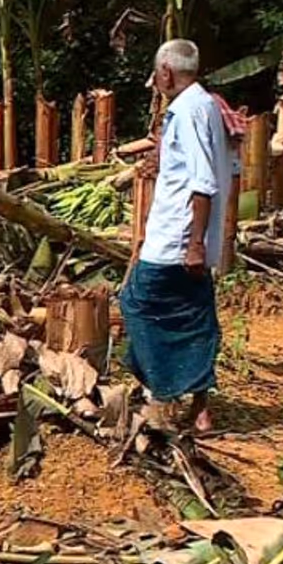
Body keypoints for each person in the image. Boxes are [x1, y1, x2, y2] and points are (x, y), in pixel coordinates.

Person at [119, 38, 232, 434]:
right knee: (195, 315)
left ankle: (164, 392)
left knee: (136, 303)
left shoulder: (187, 110)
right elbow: (198, 166)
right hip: (186, 238)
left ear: (166, 72)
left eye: (157, 75)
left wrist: (194, 244)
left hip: (176, 240)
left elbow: (203, 182)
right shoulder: (204, 106)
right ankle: (200, 407)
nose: (156, 83)